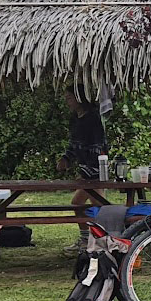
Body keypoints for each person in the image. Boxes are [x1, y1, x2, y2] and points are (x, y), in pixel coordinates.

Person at [57, 86, 108, 254]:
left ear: (79, 98)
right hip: (85, 170)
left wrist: (87, 174)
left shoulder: (93, 119)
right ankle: (96, 239)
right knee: (98, 206)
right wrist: (66, 158)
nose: (67, 102)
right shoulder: (75, 118)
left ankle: (94, 240)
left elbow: (98, 148)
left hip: (96, 170)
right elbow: (74, 143)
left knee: (82, 204)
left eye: (69, 98)